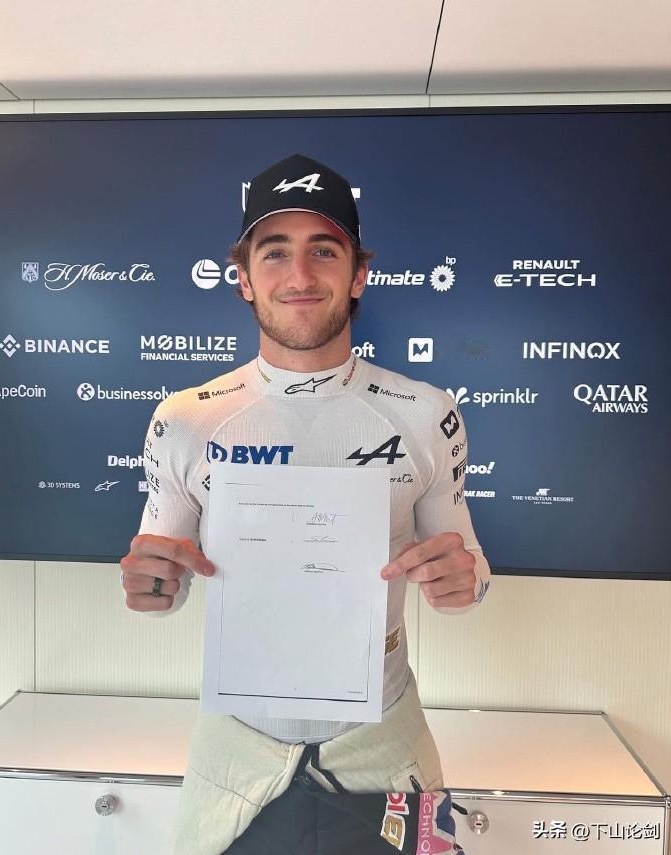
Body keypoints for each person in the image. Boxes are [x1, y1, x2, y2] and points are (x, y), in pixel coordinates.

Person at [120, 153, 491, 854]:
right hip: (235, 763)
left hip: (387, 751)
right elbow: (160, 593)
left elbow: (472, 577)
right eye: (274, 252)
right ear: (242, 277)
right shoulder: (185, 418)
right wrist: (150, 586)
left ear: (358, 274)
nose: (299, 276)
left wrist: (464, 580)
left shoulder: (426, 413)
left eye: (324, 250)